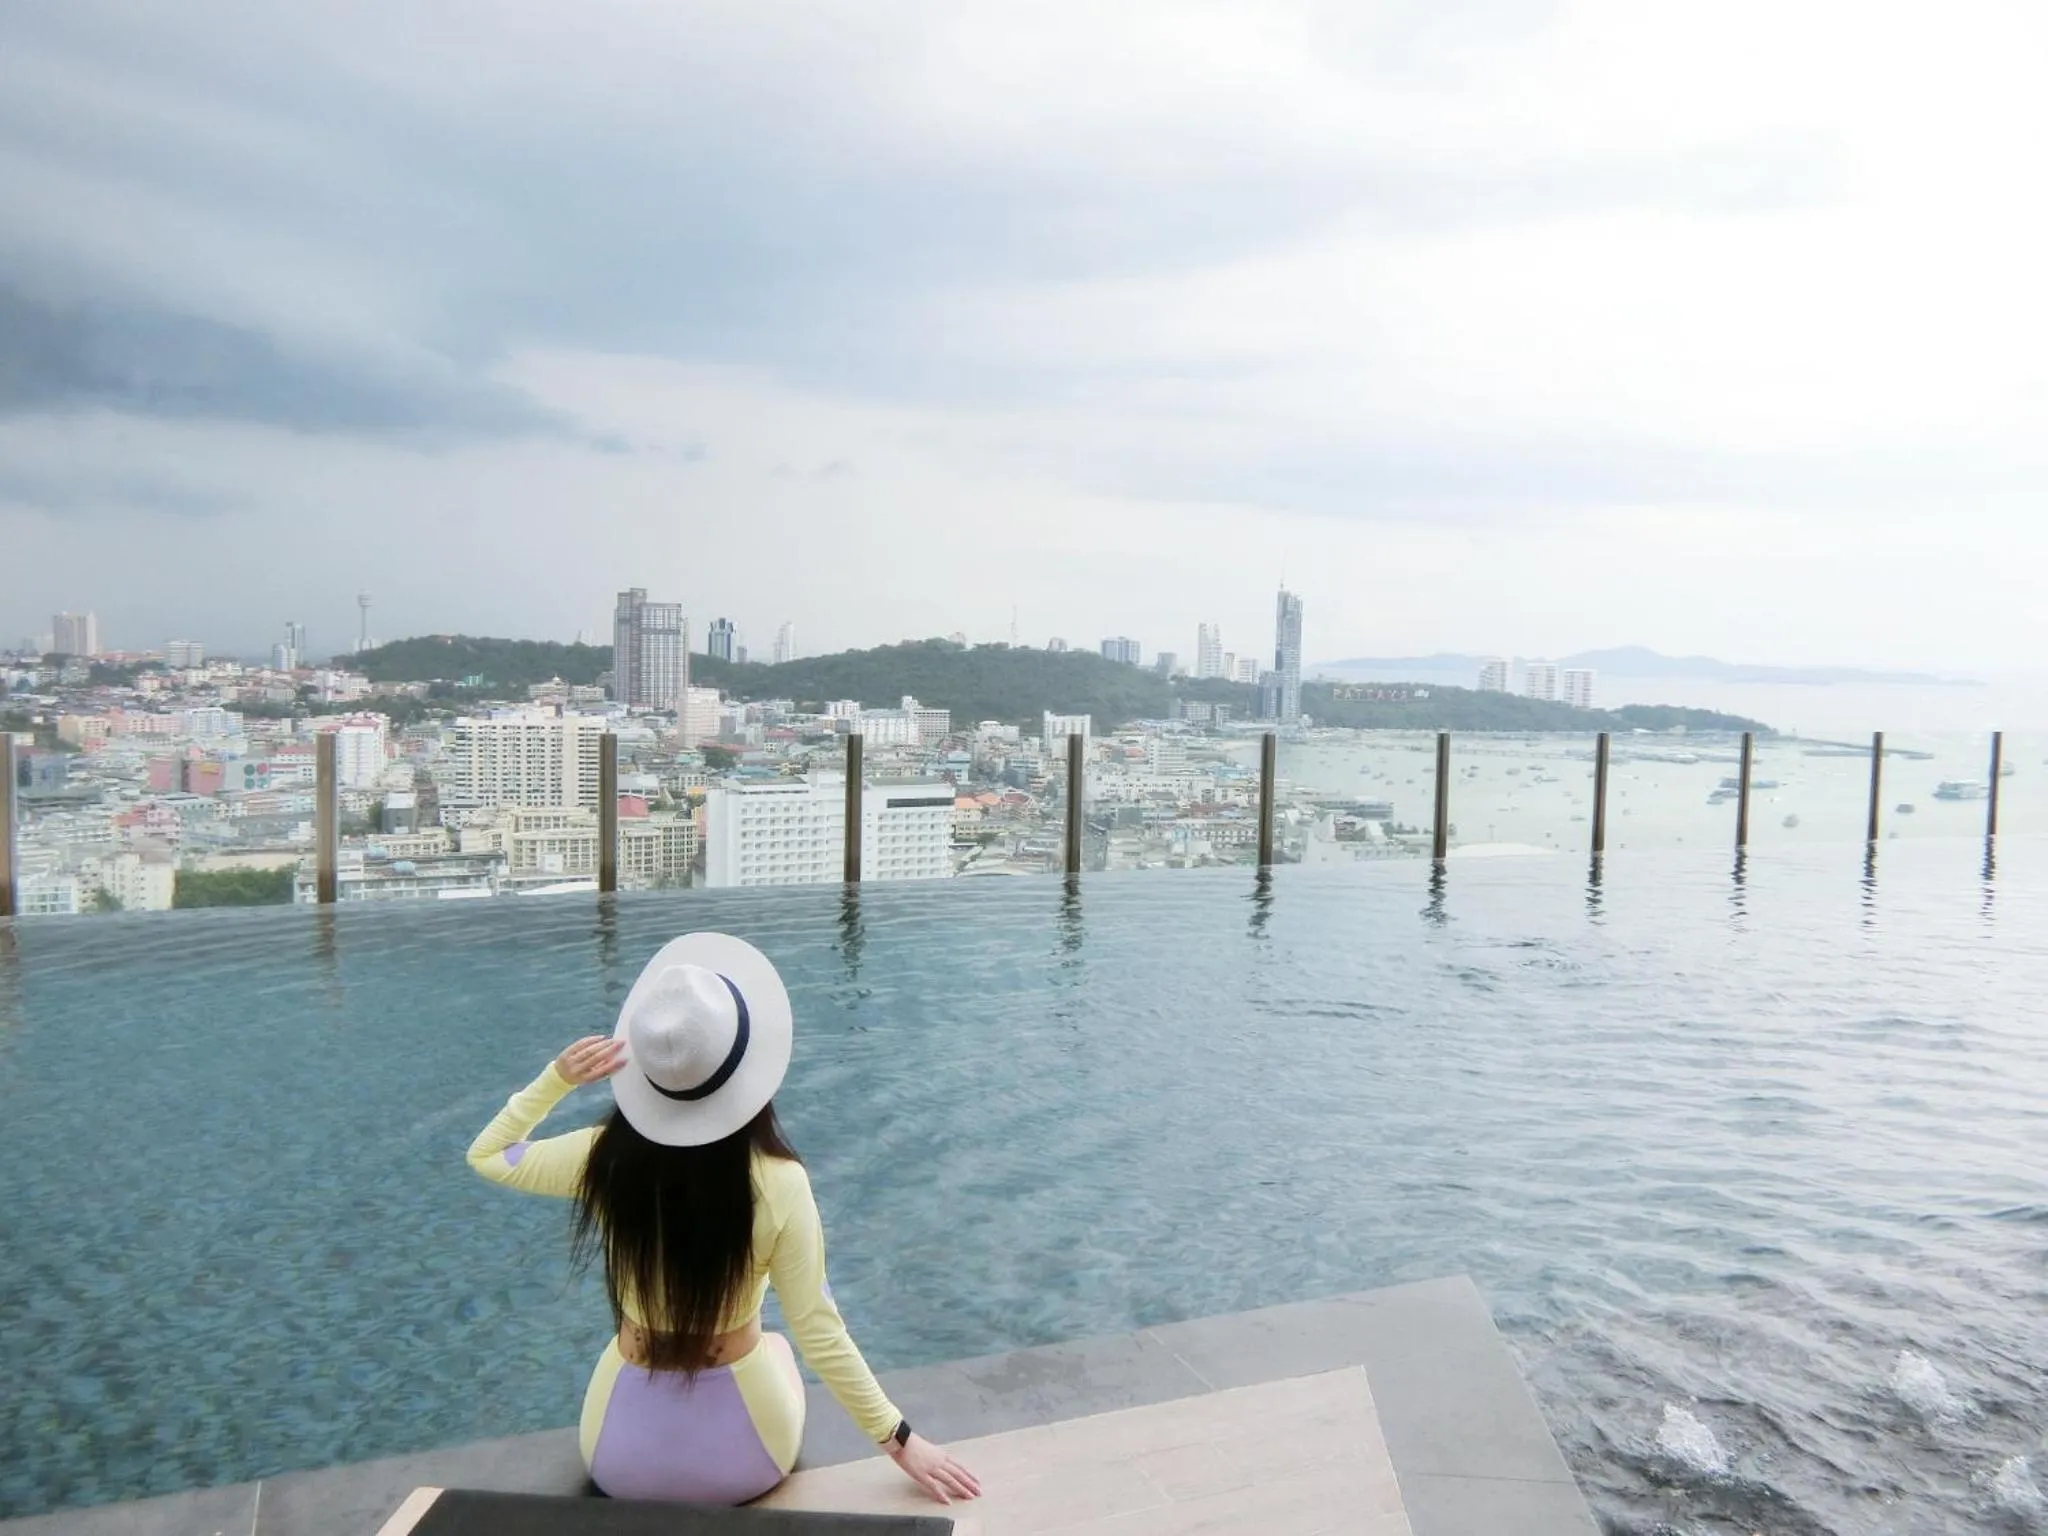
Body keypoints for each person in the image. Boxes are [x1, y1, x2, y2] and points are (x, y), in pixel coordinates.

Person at [467, 931, 980, 1507]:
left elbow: (489, 1155)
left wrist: (557, 1079)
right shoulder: (779, 1183)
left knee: (618, 1361)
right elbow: (819, 1330)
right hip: (741, 1462)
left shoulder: (604, 1160)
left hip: (618, 1460)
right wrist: (902, 1441)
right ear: (748, 1071)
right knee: (780, 1345)